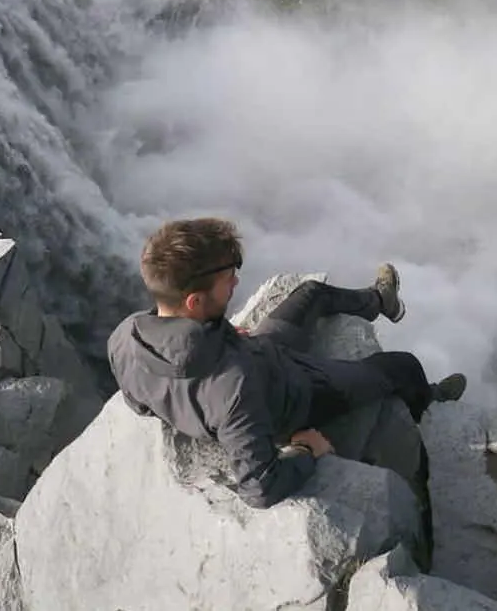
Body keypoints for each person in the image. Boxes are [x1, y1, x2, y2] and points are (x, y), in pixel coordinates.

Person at [107, 217, 466, 512]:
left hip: (259, 355)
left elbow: (140, 405)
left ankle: (380, 302)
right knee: (401, 366)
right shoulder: (234, 388)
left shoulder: (125, 338)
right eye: (228, 279)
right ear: (194, 302)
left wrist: (220, 339)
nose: (235, 281)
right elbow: (260, 488)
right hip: (298, 392)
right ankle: (426, 403)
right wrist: (307, 450)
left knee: (311, 293)